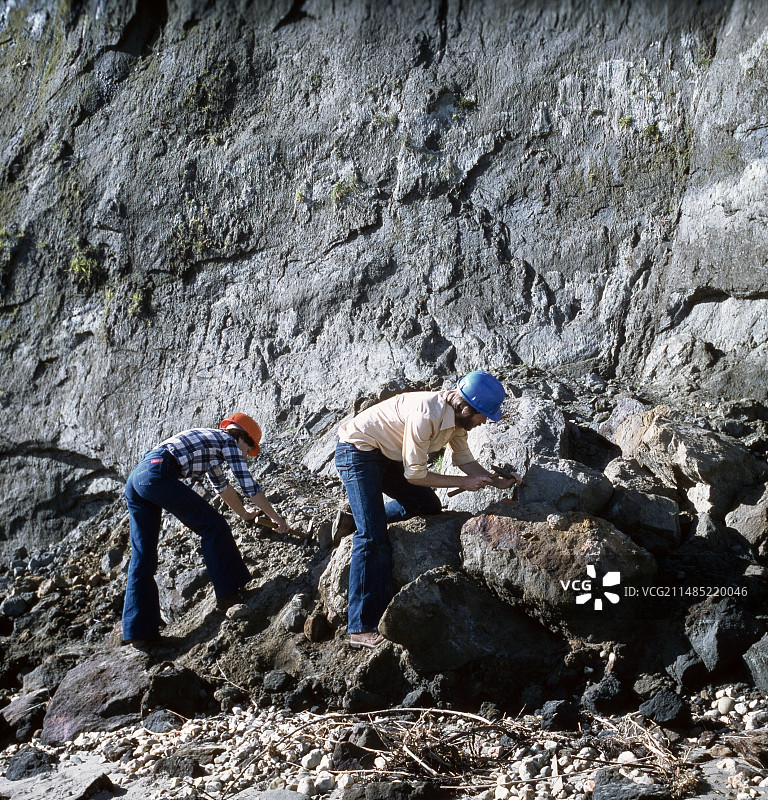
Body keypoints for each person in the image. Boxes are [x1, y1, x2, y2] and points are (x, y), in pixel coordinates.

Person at [334, 371, 521, 649]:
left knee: (427, 506)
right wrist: (464, 484)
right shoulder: (426, 412)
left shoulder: (457, 421)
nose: (484, 422)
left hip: (387, 453)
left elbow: (464, 460)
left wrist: (496, 481)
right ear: (467, 408)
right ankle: (361, 627)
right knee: (373, 538)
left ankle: (359, 517)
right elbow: (415, 476)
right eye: (483, 415)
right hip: (358, 451)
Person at [122, 413, 288, 645]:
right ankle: (229, 596)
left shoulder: (211, 447)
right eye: (248, 450)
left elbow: (222, 486)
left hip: (137, 478)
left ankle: (139, 633)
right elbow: (247, 485)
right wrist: (276, 518)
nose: (245, 456)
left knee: (142, 555)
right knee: (213, 526)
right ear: (242, 438)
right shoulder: (228, 442)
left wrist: (243, 514)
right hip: (157, 472)